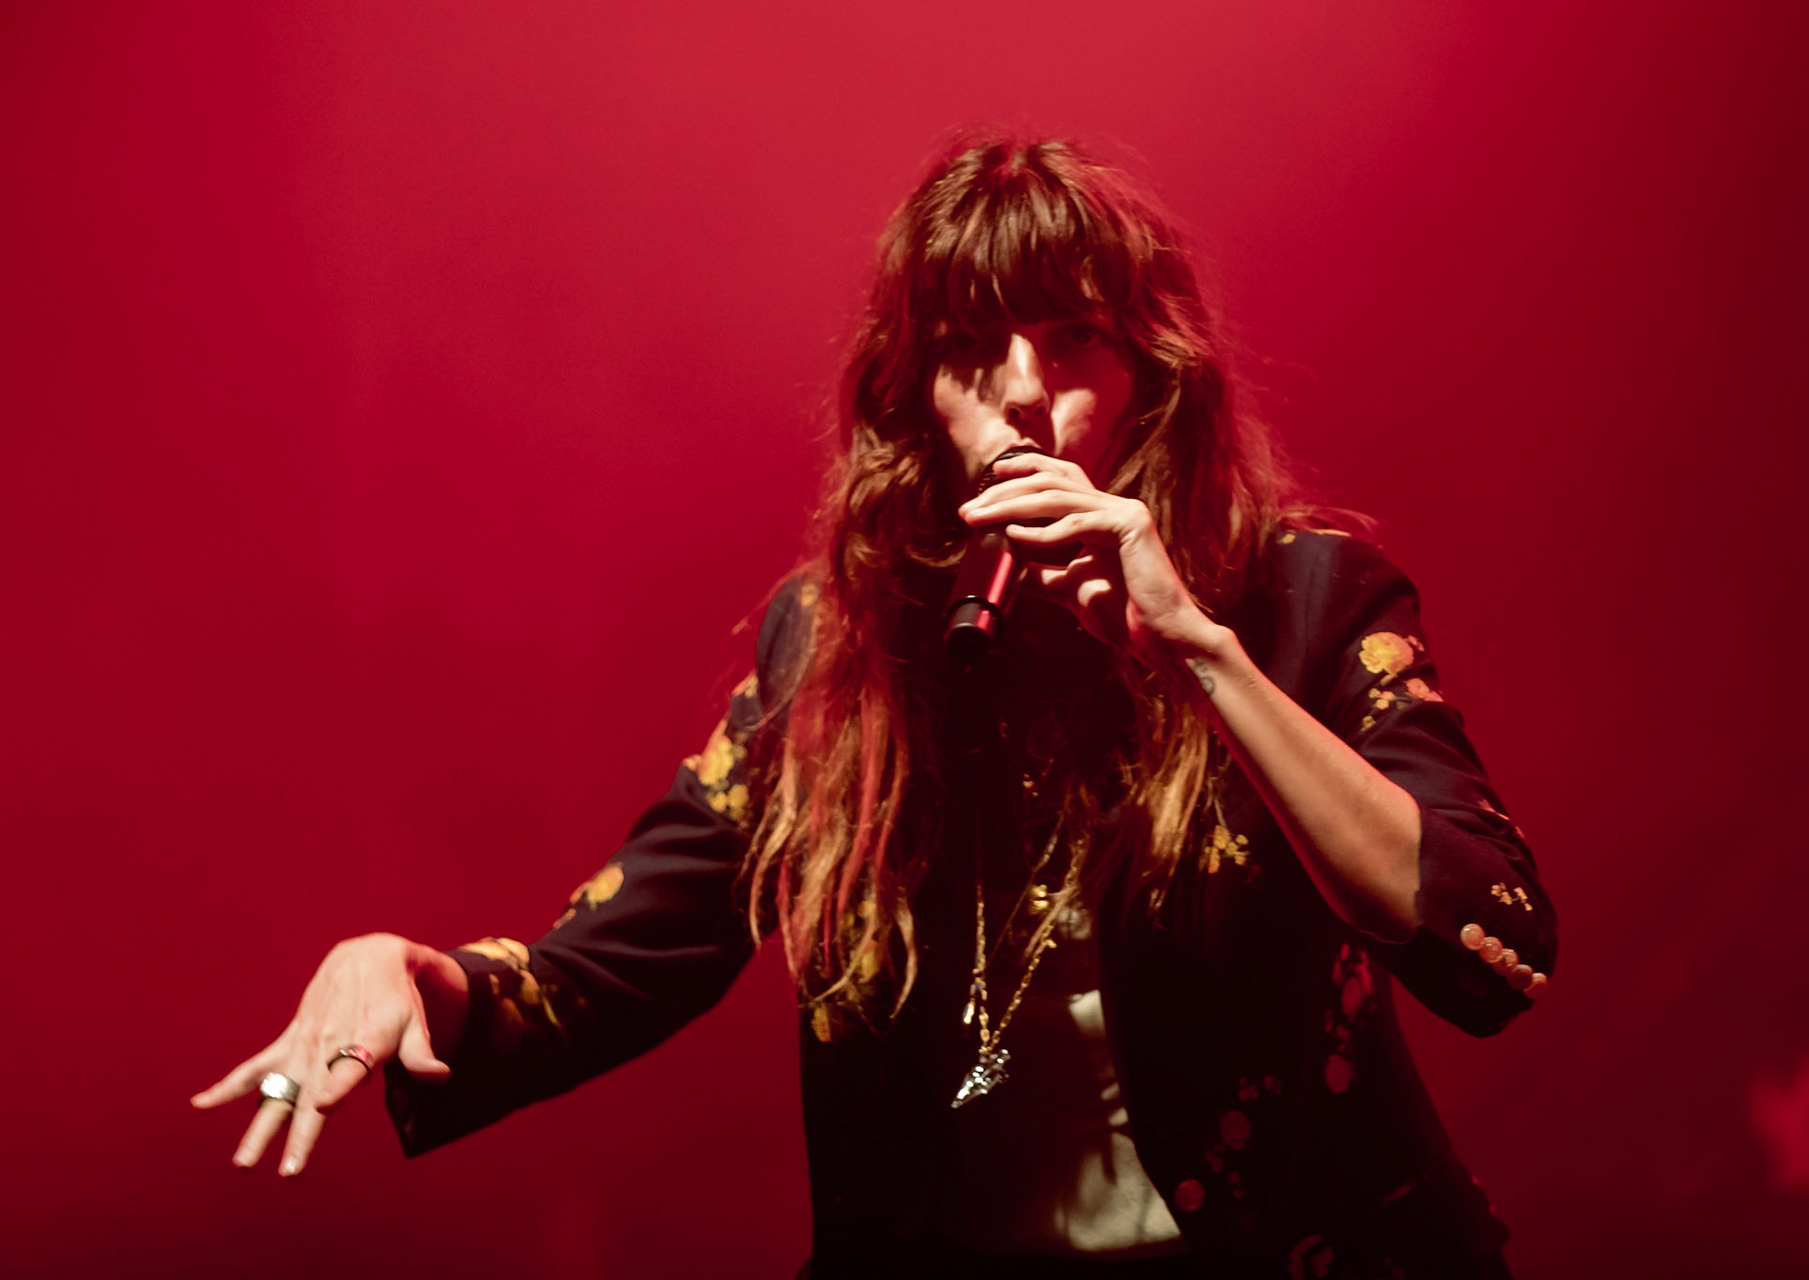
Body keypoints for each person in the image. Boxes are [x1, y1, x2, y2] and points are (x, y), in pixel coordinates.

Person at [194, 133, 1555, 1277]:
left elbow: (1493, 937)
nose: (1025, 389)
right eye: (974, 349)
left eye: (1074, 338)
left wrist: (1200, 653)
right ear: (915, 398)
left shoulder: (1301, 601)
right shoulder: (834, 658)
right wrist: (413, 971)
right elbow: (619, 956)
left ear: (1155, 371)